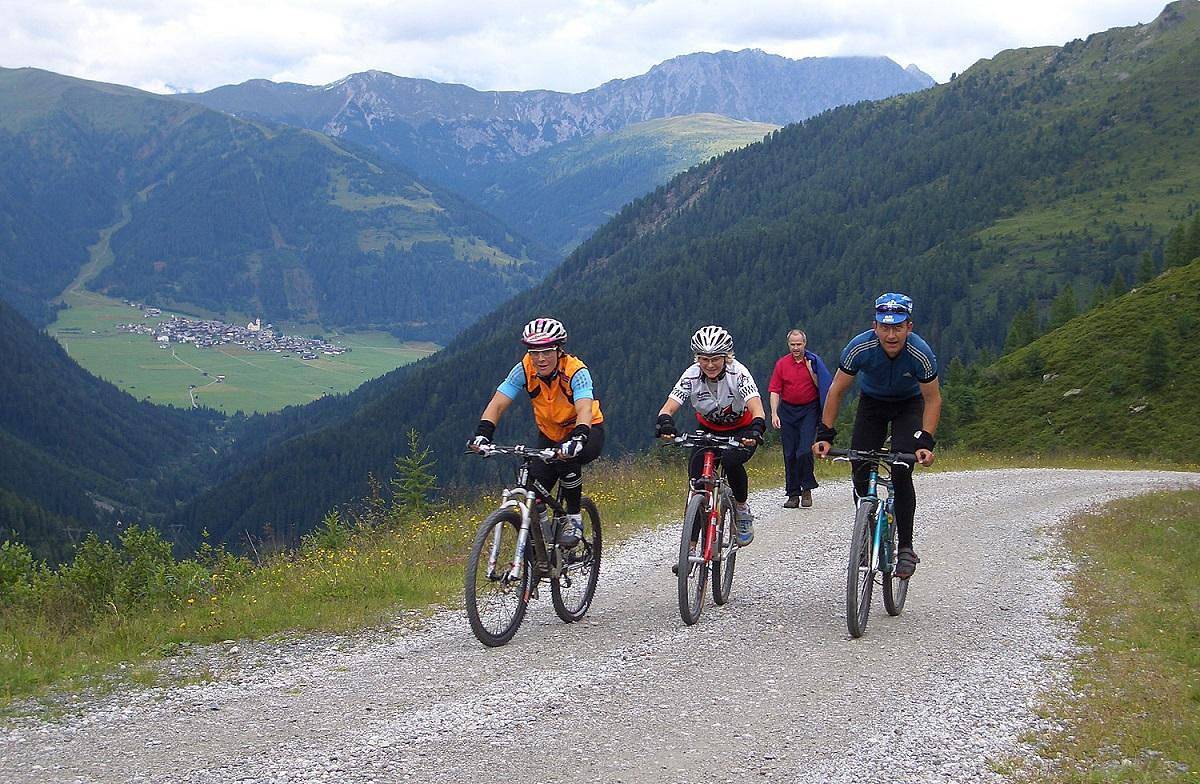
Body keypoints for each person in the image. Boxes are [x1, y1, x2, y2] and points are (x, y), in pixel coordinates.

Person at [813, 293, 940, 579]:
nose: (891, 334)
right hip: (872, 404)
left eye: (897, 327)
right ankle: (866, 532)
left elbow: (932, 399)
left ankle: (905, 547)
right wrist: (825, 434)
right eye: (885, 327)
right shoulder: (860, 347)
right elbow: (836, 391)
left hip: (909, 406)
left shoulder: (921, 353)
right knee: (859, 465)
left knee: (900, 470)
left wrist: (925, 441)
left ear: (909, 326)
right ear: (875, 326)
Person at [468, 317, 604, 547]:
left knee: (567, 460)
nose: (540, 358)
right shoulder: (524, 368)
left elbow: (584, 407)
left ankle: (574, 518)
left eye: (547, 352)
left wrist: (579, 437)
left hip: (586, 430)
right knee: (531, 488)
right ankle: (541, 547)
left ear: (559, 350)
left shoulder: (576, 371)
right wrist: (483, 434)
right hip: (549, 434)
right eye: (534, 352)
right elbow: (499, 402)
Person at [655, 325, 766, 546]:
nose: (710, 364)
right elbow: (668, 408)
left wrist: (756, 429)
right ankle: (692, 545)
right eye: (704, 359)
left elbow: (757, 408)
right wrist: (666, 423)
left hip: (742, 430)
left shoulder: (739, 374)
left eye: (716, 358)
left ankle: (742, 509)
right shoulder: (692, 375)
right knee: (697, 481)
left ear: (726, 357)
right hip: (708, 430)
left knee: (732, 461)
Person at [768, 329, 833, 509]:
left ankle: (807, 488)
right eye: (792, 344)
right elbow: (775, 390)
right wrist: (774, 413)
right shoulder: (782, 364)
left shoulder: (813, 362)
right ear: (788, 345)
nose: (796, 348)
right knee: (789, 453)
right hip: (787, 410)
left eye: (799, 344)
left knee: (804, 450)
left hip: (809, 409)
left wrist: (812, 372)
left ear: (805, 343)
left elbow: (826, 387)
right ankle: (793, 494)